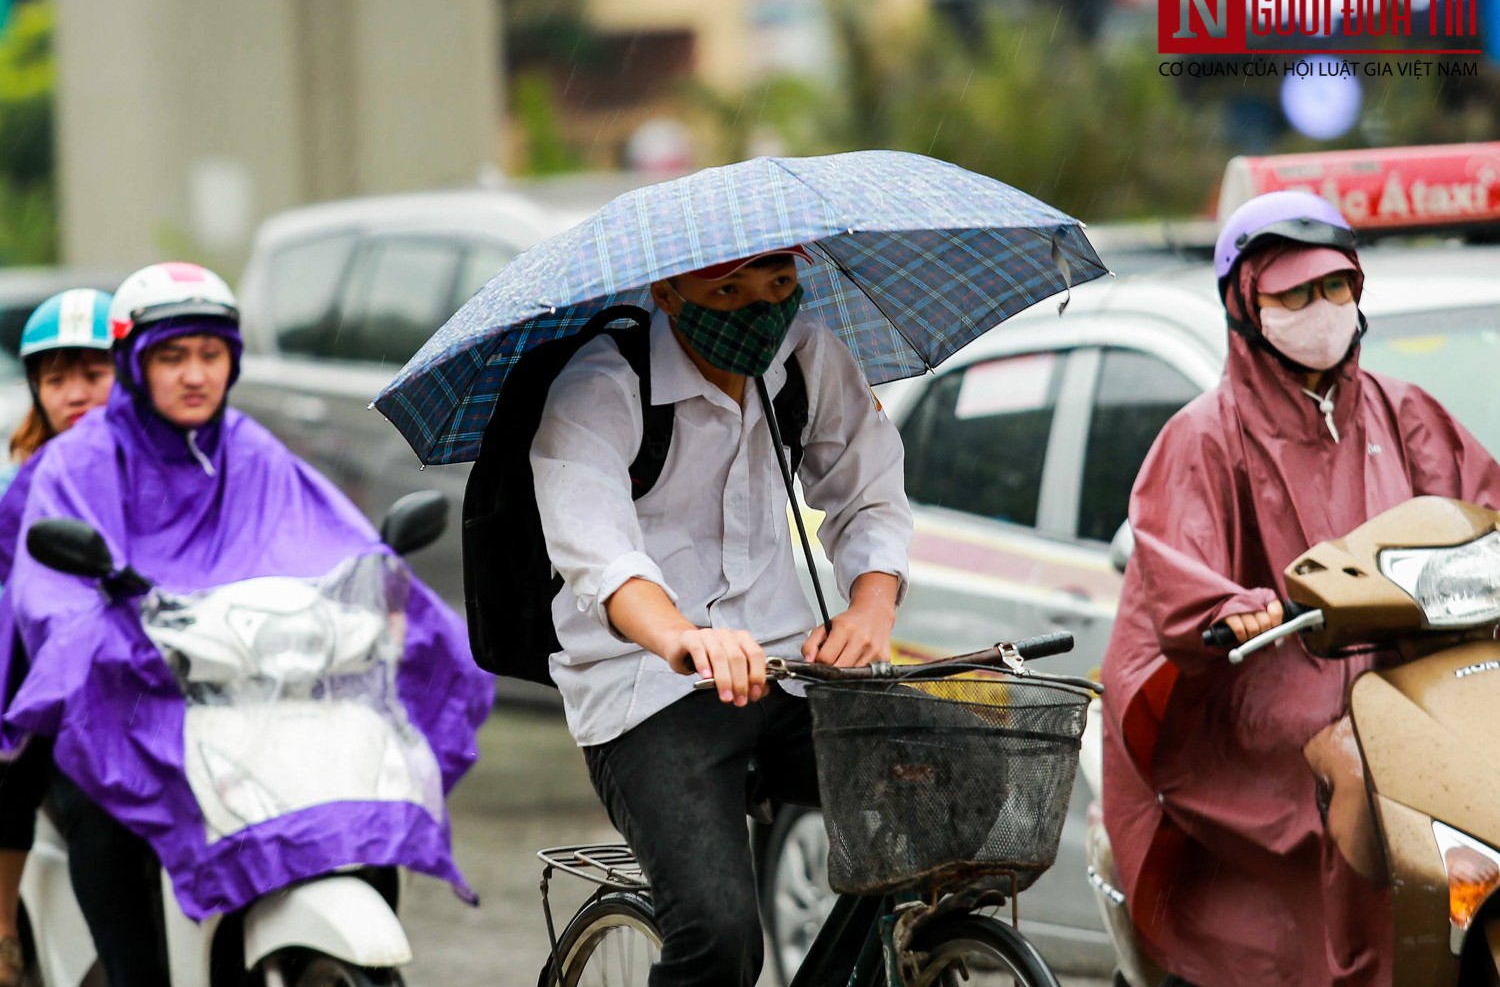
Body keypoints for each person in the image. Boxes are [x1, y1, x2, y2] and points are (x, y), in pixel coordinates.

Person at [2, 263, 490, 986]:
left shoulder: (251, 448)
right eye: (172, 356)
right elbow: (50, 592)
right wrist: (95, 635)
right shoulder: (76, 461)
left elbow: (336, 539)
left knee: (356, 772)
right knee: (107, 819)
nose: (194, 374)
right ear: (138, 361)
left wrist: (384, 595)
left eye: (210, 354)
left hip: (237, 696)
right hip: (118, 703)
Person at [1098, 192, 1500, 986]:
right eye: (1294, 293)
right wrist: (1231, 608)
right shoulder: (1204, 436)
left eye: (1335, 287)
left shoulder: (1407, 412)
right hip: (1266, 688)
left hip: (1418, 679)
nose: (1321, 309)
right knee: (1362, 767)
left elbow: (1481, 508)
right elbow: (1177, 569)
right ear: (1244, 305)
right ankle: (1360, 968)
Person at [531, 245, 913, 986]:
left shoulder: (807, 360)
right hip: (645, 691)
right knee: (719, 932)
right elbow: (600, 555)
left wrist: (871, 605)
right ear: (669, 294)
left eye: (778, 283)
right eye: (729, 288)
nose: (761, 308)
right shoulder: (601, 389)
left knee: (931, 819)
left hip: (787, 675)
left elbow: (869, 493)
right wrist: (682, 637)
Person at [0, 287, 114, 986]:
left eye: (92, 373)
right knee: (20, 734)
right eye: (55, 377)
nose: (75, 392)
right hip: (53, 678)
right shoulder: (21, 483)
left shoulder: (166, 465)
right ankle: (4, 924)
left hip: (154, 672)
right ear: (37, 390)